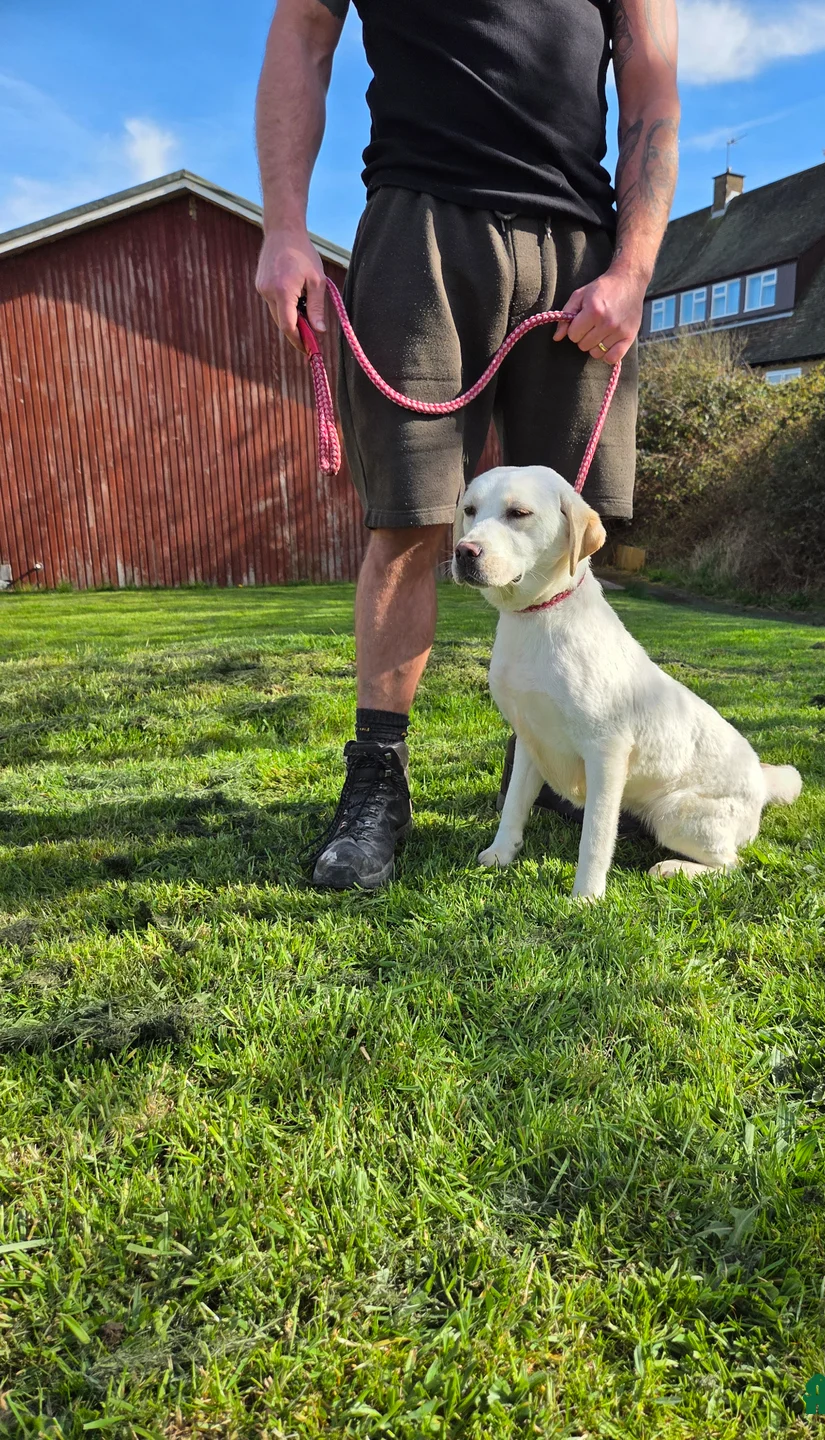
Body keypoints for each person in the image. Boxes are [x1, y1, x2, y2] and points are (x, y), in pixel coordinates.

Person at [255, 0, 680, 889]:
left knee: (570, 529)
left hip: (578, 243)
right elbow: (303, 33)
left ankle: (551, 769)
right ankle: (378, 781)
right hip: (418, 224)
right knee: (410, 521)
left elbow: (650, 77)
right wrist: (285, 229)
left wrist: (633, 269)